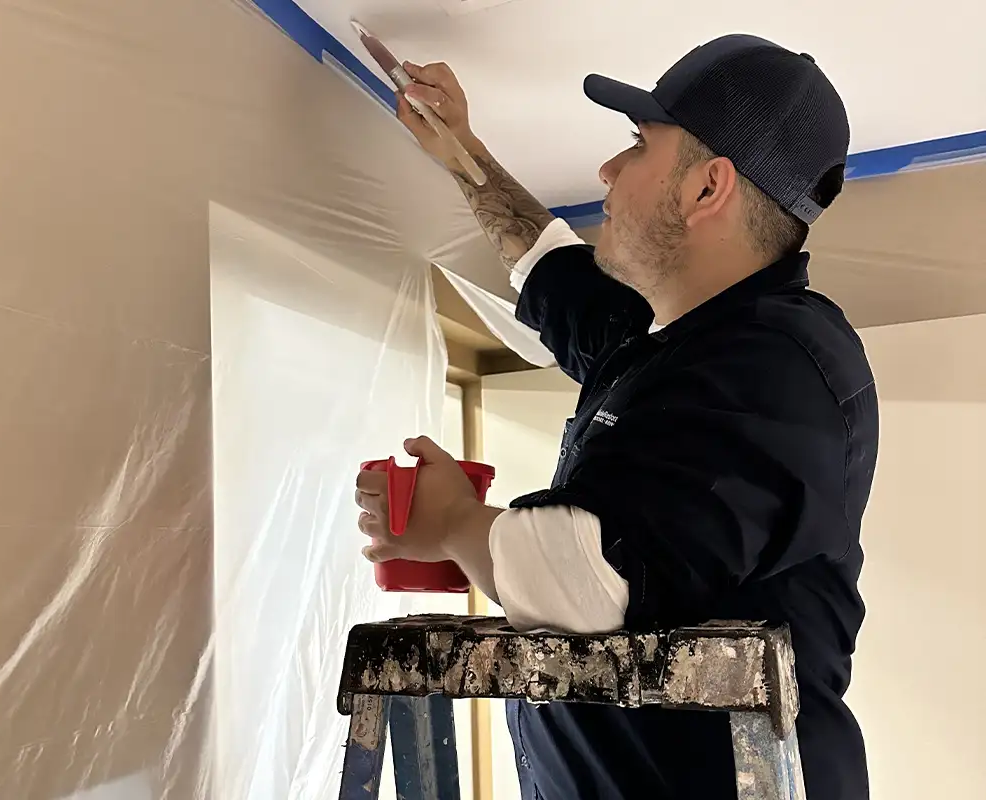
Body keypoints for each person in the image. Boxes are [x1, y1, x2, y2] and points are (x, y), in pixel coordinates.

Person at [355, 34, 877, 800]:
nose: (606, 168)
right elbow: (545, 262)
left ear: (708, 189)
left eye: (637, 144)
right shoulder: (662, 346)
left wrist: (458, 527)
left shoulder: (776, 365)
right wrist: (463, 150)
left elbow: (589, 578)